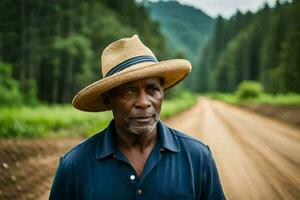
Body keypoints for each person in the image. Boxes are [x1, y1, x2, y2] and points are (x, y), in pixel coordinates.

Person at [49, 35, 226, 199]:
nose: (144, 102)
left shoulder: (197, 157)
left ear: (162, 94)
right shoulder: (75, 166)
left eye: (152, 89)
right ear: (108, 100)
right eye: (129, 91)